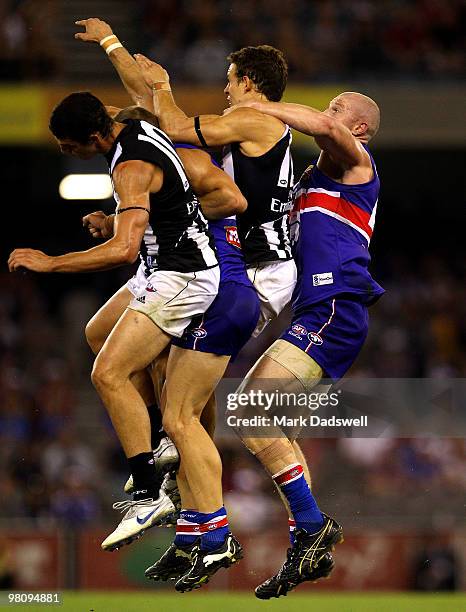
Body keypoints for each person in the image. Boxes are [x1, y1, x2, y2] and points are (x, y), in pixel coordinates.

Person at [8, 92, 225, 558]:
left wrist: (50, 262)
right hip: (163, 263)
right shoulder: (133, 127)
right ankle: (160, 439)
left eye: (70, 146)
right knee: (96, 332)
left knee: (107, 374)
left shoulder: (129, 166)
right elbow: (153, 216)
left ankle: (148, 495)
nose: (66, 152)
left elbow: (123, 251)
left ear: (93, 136)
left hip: (181, 275)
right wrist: (113, 220)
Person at [225, 91, 385, 598]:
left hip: (336, 307)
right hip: (318, 311)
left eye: (339, 109)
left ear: (360, 130)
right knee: (269, 426)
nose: (328, 112)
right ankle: (307, 540)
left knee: (252, 413)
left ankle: (312, 527)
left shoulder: (360, 165)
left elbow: (324, 129)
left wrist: (262, 110)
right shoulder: (310, 182)